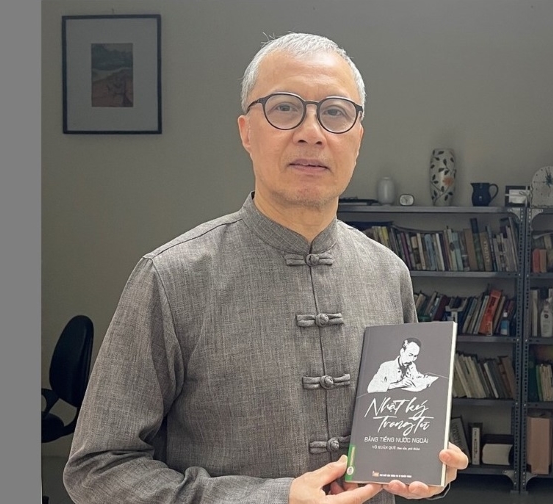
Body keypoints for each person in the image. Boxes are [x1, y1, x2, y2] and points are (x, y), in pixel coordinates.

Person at [63, 32, 468, 504]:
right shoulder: (171, 278)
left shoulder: (388, 273)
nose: (312, 132)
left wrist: (424, 468)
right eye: (285, 108)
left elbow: (401, 428)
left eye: (336, 112)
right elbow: (96, 468)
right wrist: (273, 499)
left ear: (358, 137)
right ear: (246, 132)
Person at [367, 338, 440, 393]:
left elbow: (415, 376)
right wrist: (398, 384)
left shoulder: (412, 365)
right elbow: (371, 388)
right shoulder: (386, 366)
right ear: (402, 351)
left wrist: (423, 378)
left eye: (415, 356)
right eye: (410, 355)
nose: (412, 359)